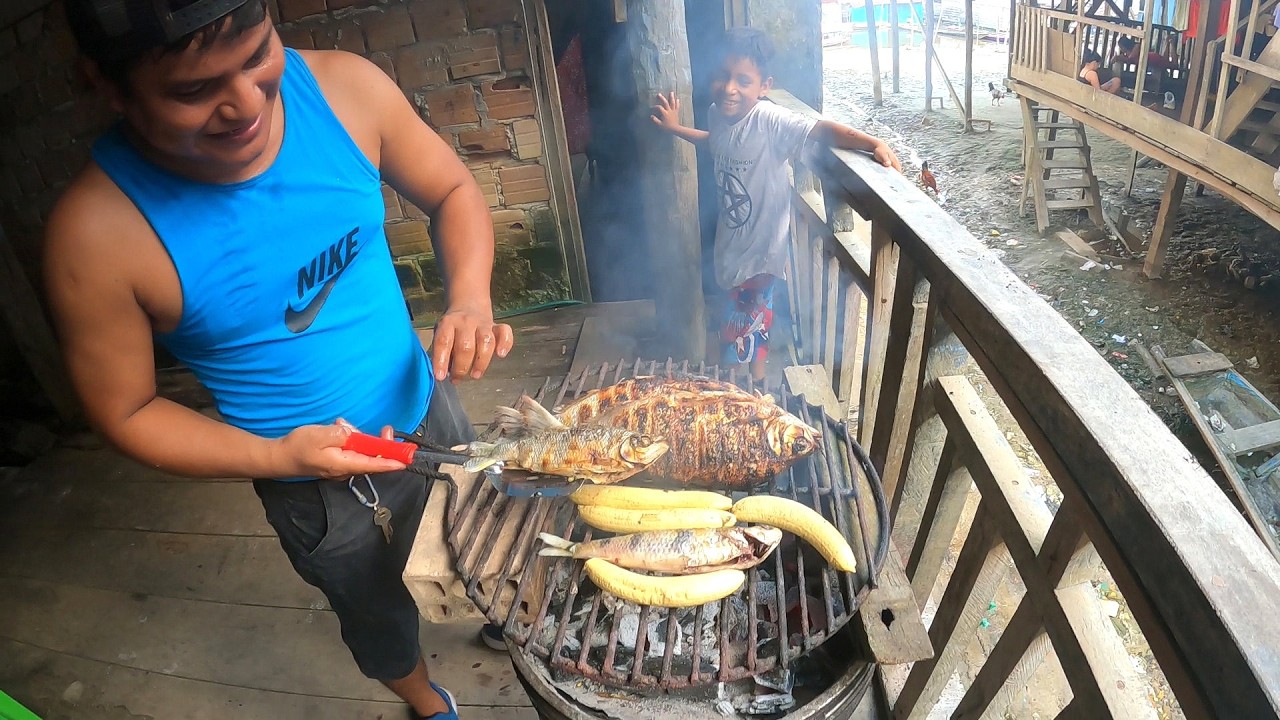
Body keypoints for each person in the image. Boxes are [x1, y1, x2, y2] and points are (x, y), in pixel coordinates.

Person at [47, 1, 515, 718]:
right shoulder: (97, 234)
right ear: (106, 86)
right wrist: (278, 460)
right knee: (374, 610)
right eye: (194, 90)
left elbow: (452, 190)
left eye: (258, 56)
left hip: (428, 407)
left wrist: (472, 299)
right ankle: (427, 702)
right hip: (312, 484)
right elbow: (125, 409)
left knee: (487, 537)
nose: (245, 105)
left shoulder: (347, 92)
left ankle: (501, 613)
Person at [650, 27, 901, 382]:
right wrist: (676, 129)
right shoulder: (715, 114)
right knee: (751, 326)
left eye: (743, 80)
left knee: (739, 334)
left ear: (764, 86)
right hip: (732, 246)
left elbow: (820, 128)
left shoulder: (769, 121)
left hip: (760, 253)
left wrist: (872, 142)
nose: (730, 88)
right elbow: (717, 143)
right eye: (723, 76)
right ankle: (756, 386)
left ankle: (745, 389)